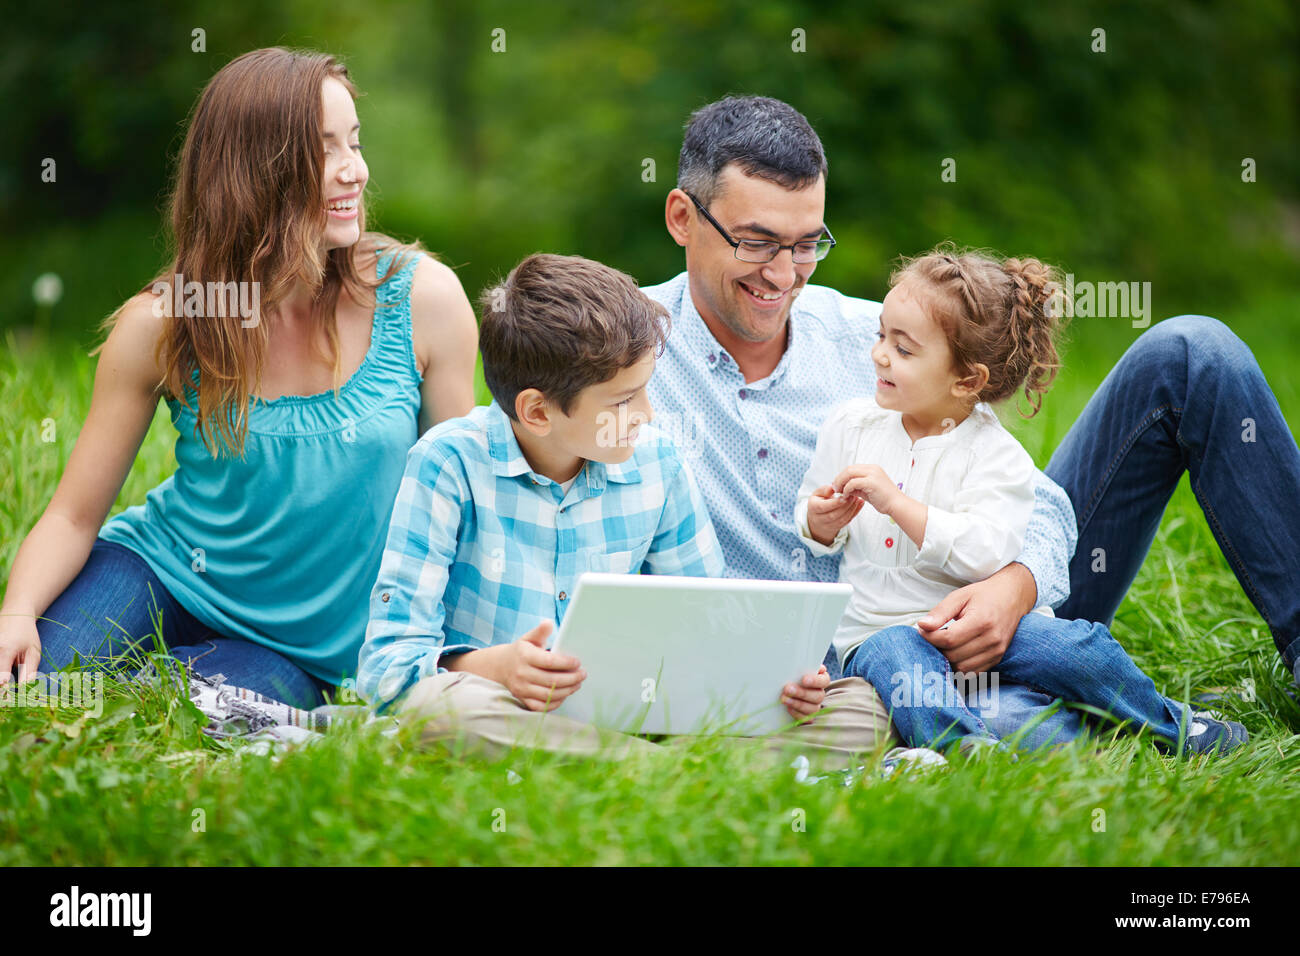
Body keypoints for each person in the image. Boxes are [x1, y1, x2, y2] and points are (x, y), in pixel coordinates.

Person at [643, 96, 1299, 751]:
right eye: (757, 242)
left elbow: (1038, 503)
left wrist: (1013, 588)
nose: (785, 275)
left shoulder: (881, 339)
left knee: (1193, 352)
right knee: (1005, 731)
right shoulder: (615, 363)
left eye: (808, 243)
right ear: (682, 217)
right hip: (868, 673)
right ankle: (1102, 718)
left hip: (1006, 620)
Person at [0, 48, 479, 708]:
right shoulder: (168, 323)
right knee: (33, 693)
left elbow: (464, 508)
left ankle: (184, 673)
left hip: (295, 648)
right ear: (257, 173)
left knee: (205, 710)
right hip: (161, 573)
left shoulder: (423, 301)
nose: (356, 171)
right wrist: (16, 614)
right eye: (326, 151)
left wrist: (464, 657)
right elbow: (75, 515)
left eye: (356, 144)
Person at [357, 253, 889, 761]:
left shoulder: (657, 462)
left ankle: (634, 765)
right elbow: (387, 670)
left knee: (861, 710)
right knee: (435, 713)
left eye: (644, 391)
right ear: (537, 411)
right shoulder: (447, 464)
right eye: (622, 401)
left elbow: (713, 625)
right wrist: (496, 668)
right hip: (510, 714)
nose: (647, 414)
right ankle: (684, 771)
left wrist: (776, 680)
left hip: (638, 716)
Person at [796, 244, 1247, 755]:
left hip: (984, 631)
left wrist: (898, 505)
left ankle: (1173, 725)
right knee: (902, 664)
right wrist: (819, 520)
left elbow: (988, 552)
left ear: (967, 380)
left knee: (1074, 648)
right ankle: (967, 751)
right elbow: (812, 516)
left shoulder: (995, 455)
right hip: (881, 636)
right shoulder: (849, 426)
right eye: (881, 335)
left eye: (903, 349)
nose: (879, 353)